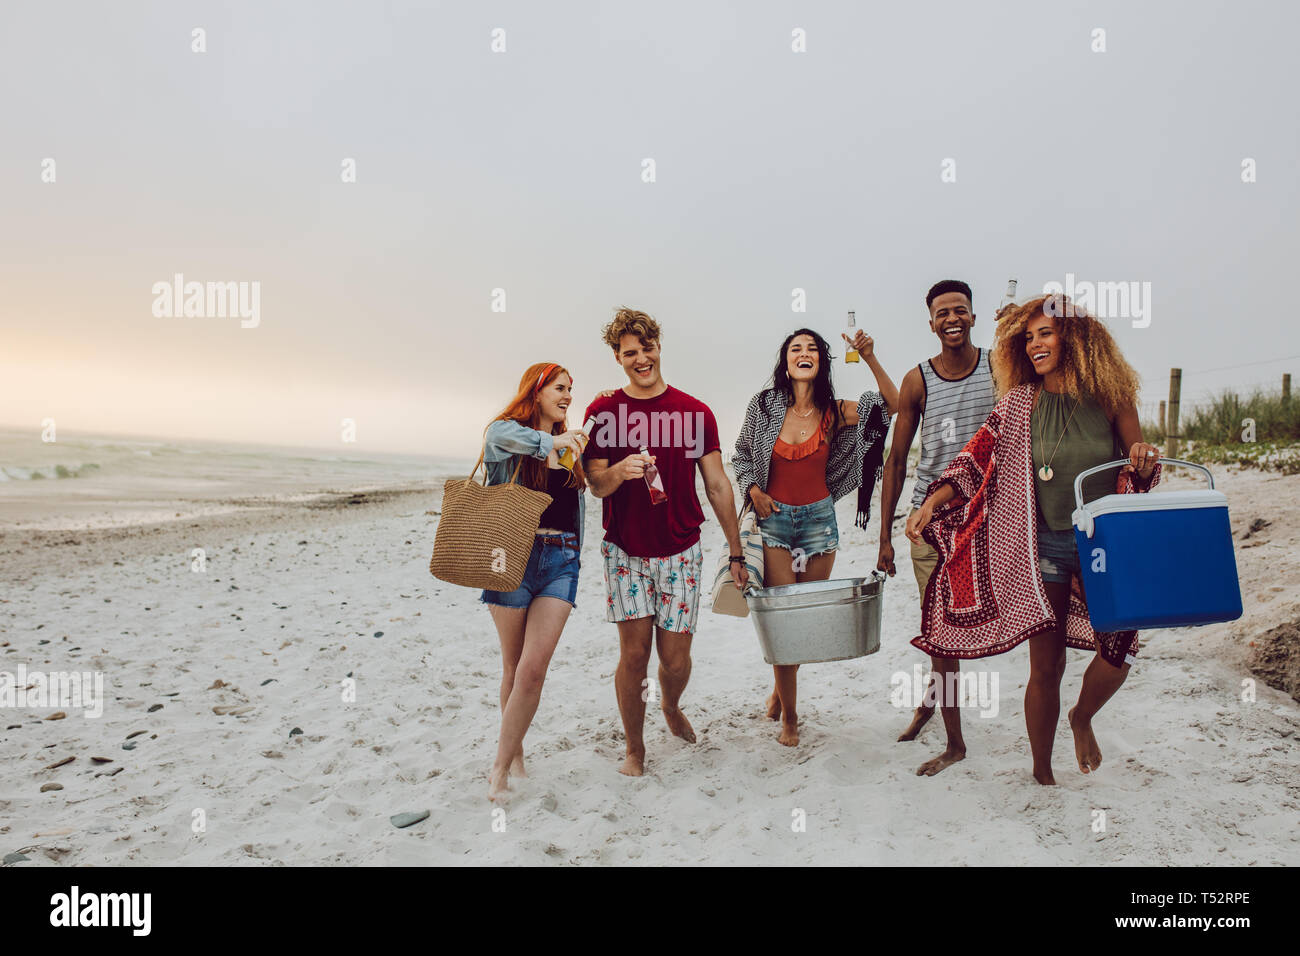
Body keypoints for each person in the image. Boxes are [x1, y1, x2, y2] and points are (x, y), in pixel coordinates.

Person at [905, 294, 1161, 785]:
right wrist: (931, 504)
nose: (1036, 344)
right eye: (1029, 337)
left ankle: (1082, 717)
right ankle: (1043, 773)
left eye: (1046, 333)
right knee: (1046, 664)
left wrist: (1145, 461)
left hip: (1101, 543)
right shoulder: (1019, 404)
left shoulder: (1110, 397)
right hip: (1040, 547)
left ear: (1076, 338)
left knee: (1120, 649)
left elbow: (1137, 462)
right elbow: (973, 460)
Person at [582, 307, 748, 777]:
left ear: (659, 346)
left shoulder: (695, 413)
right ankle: (634, 750)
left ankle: (671, 705)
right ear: (617, 357)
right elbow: (594, 482)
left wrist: (735, 551)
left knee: (675, 660)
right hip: (625, 552)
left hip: (681, 550)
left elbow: (717, 485)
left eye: (647, 348)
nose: (641, 359)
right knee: (633, 656)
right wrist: (619, 470)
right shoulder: (603, 412)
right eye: (629, 352)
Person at [732, 327, 896, 746]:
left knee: (802, 625)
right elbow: (742, 454)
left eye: (812, 349)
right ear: (785, 361)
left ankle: (778, 691)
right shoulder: (764, 406)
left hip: (820, 522)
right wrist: (753, 490)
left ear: (822, 361)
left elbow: (891, 406)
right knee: (785, 626)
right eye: (795, 349)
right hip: (774, 522)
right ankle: (790, 717)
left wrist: (869, 356)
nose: (803, 354)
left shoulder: (836, 411)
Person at [877, 279, 997, 775]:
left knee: (995, 621)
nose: (952, 318)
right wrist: (883, 535)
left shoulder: (999, 366)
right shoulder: (917, 381)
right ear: (931, 322)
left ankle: (931, 698)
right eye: (942, 312)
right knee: (942, 631)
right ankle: (954, 743)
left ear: (973, 317)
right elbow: (898, 461)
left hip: (990, 515)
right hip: (931, 520)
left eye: (960, 310)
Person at [479, 362, 590, 802]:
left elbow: (584, 494)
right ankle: (514, 754)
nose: (567, 396)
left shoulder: (568, 445)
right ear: (537, 391)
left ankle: (500, 767)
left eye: (571, 390)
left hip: (561, 559)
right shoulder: (509, 435)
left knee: (533, 669)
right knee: (512, 666)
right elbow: (495, 437)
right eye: (560, 388)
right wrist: (551, 440)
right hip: (512, 556)